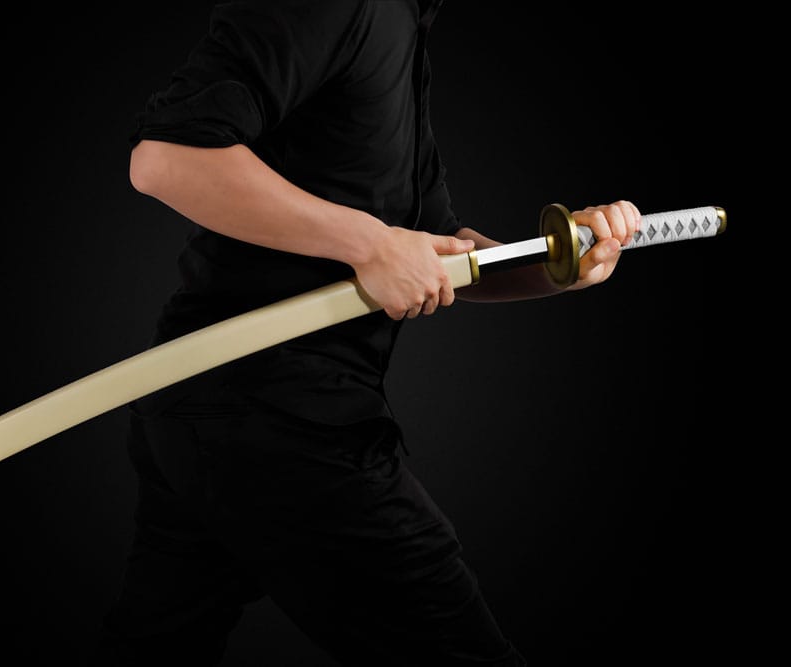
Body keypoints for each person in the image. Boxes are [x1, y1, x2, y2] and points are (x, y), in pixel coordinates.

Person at [90, 1, 640, 665]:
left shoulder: (403, 27)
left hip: (209, 410)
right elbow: (167, 158)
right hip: (275, 409)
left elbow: (439, 248)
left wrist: (562, 265)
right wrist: (368, 244)